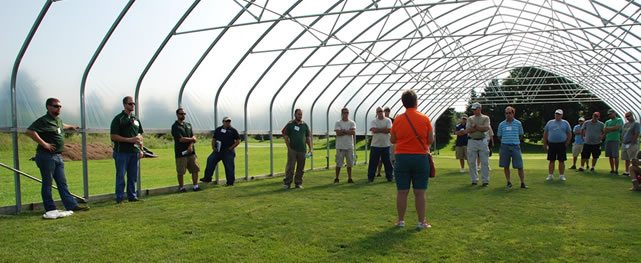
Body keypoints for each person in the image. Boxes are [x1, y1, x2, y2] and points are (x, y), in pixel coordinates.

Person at [26, 98, 89, 219]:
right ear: (48, 107)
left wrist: (71, 126)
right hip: (46, 156)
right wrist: (45, 144)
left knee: (62, 183)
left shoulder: (58, 120)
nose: (58, 108)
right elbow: (29, 131)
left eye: (60, 106)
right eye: (55, 106)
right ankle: (50, 209)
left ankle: (71, 205)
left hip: (58, 156)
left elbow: (61, 126)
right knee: (48, 183)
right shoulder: (43, 121)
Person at [390, 90, 434, 230]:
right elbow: (430, 140)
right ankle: (421, 222)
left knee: (402, 191)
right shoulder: (425, 118)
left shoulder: (398, 119)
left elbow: (392, 139)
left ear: (403, 103)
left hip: (402, 157)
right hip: (420, 157)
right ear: (416, 102)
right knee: (419, 192)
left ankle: (401, 221)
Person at [110, 96, 144, 203]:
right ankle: (119, 198)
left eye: (133, 104)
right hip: (121, 153)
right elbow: (113, 136)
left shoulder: (136, 119)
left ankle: (132, 196)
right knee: (121, 176)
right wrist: (130, 140)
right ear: (124, 105)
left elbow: (140, 134)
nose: (132, 105)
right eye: (130, 104)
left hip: (134, 153)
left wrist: (141, 148)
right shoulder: (118, 119)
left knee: (133, 176)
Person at [200, 117, 240, 186]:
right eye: (226, 121)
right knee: (210, 160)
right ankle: (207, 178)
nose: (228, 122)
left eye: (229, 121)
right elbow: (214, 139)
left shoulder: (233, 130)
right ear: (223, 122)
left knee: (229, 167)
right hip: (218, 151)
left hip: (228, 152)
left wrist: (231, 148)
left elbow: (238, 141)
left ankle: (230, 183)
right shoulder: (218, 129)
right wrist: (213, 147)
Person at [497, 106, 527, 189]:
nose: (508, 115)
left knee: (520, 166)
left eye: (510, 113)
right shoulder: (501, 124)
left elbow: (521, 134)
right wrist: (506, 141)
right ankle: (508, 182)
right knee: (506, 165)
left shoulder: (518, 123)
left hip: (515, 146)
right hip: (505, 146)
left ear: (513, 113)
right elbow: (499, 136)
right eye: (506, 113)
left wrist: (515, 140)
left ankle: (522, 183)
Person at [171, 108, 201, 192]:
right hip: (181, 153)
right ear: (177, 114)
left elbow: (193, 137)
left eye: (184, 114)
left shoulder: (188, 125)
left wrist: (190, 145)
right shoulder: (175, 126)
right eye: (181, 114)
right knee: (181, 171)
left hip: (191, 152)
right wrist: (192, 139)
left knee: (195, 169)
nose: (183, 115)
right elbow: (181, 139)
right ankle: (181, 187)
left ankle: (195, 186)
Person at [282, 109, 313, 189]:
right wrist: (289, 147)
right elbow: (285, 134)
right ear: (295, 114)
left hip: (302, 150)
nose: (300, 116)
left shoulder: (305, 125)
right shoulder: (290, 124)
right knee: (290, 167)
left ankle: (298, 183)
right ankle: (287, 183)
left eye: (301, 114)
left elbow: (308, 137)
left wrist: (310, 148)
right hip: (293, 149)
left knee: (300, 168)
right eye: (298, 114)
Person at [466, 102, 491, 186]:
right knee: (471, 162)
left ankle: (485, 180)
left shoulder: (485, 118)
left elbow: (486, 128)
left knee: (485, 162)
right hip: (472, 141)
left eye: (475, 109)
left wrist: (475, 126)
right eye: (473, 109)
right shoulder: (470, 118)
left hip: (482, 140)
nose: (473, 111)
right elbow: (468, 130)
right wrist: (479, 128)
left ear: (480, 109)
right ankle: (474, 179)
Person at [543, 109, 572, 181]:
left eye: (559, 114)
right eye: (556, 114)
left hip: (561, 144)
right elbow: (545, 133)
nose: (557, 115)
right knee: (551, 160)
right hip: (551, 144)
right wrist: (545, 143)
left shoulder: (565, 123)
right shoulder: (550, 122)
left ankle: (561, 175)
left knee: (561, 160)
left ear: (562, 115)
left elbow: (569, 133)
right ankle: (550, 175)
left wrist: (567, 142)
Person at [367, 107, 393, 182]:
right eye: (378, 111)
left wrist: (378, 129)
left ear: (383, 112)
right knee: (373, 163)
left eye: (381, 111)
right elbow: (374, 130)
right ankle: (370, 178)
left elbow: (389, 130)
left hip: (386, 145)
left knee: (388, 163)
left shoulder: (388, 120)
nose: (380, 112)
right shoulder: (373, 121)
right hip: (375, 145)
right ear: (376, 112)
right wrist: (383, 129)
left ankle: (389, 177)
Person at [334, 107, 356, 184]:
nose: (346, 114)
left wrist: (343, 131)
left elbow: (353, 132)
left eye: (347, 113)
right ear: (342, 114)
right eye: (344, 113)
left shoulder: (352, 122)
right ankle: (337, 178)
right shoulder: (338, 122)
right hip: (340, 146)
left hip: (349, 146)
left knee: (350, 163)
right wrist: (347, 131)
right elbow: (338, 133)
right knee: (338, 163)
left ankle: (350, 178)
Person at [603, 109, 623, 175]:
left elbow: (617, 128)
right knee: (610, 156)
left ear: (614, 113)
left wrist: (609, 128)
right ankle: (612, 169)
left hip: (615, 140)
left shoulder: (619, 120)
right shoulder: (607, 121)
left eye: (611, 114)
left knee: (615, 156)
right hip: (608, 140)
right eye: (609, 114)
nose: (610, 115)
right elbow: (604, 130)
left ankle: (616, 170)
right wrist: (612, 128)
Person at [376, 107, 395, 176]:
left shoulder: (392, 120)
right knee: (380, 158)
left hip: (390, 141)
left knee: (391, 158)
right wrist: (384, 130)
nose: (387, 112)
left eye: (388, 111)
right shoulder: (380, 120)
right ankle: (378, 172)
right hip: (381, 142)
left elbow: (391, 130)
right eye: (386, 111)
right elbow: (375, 130)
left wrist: (382, 130)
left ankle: (390, 172)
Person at [621, 112, 640, 176]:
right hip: (624, 144)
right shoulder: (626, 124)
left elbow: (637, 134)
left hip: (632, 144)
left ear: (632, 115)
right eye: (626, 117)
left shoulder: (636, 124)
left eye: (628, 116)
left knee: (634, 159)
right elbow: (623, 133)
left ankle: (635, 172)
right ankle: (627, 171)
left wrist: (632, 143)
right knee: (626, 159)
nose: (627, 118)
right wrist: (623, 141)